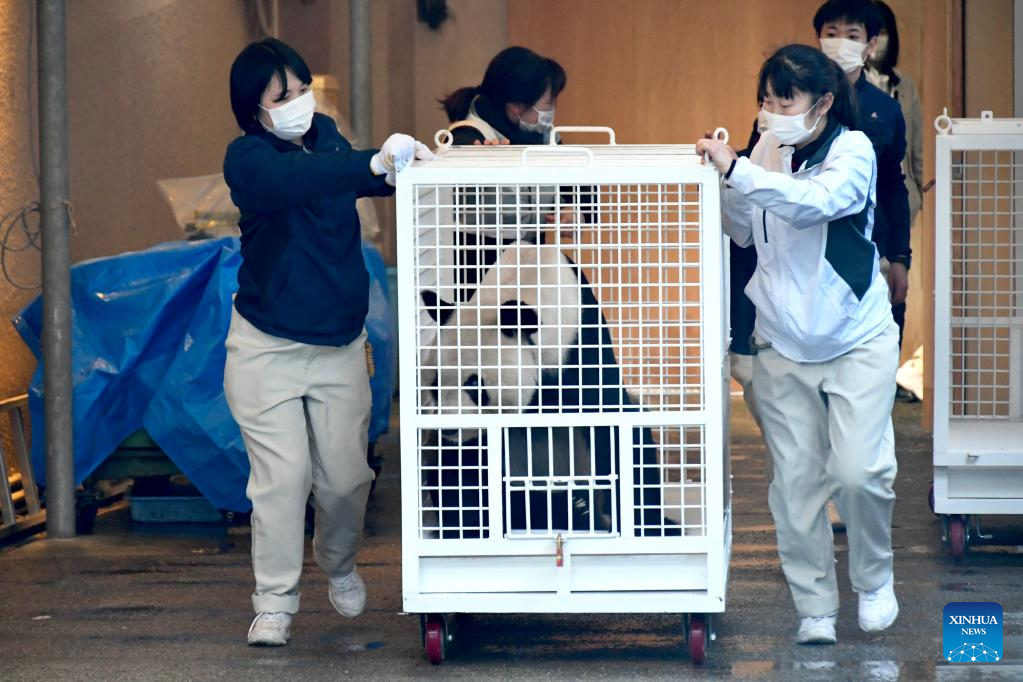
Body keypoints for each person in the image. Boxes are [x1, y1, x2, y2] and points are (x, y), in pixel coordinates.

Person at [222, 38, 431, 647]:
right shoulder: (248, 159)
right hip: (266, 349)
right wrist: (371, 162)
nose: (297, 102)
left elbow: (363, 179)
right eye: (281, 96)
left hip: (339, 346)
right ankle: (274, 602)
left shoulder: (329, 139)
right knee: (281, 480)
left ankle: (338, 562)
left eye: (301, 89)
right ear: (253, 110)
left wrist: (406, 165)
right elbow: (301, 180)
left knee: (345, 481)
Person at [698, 44, 900, 645]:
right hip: (781, 341)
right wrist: (720, 183)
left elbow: (817, 204)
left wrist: (739, 172)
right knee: (795, 486)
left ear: (824, 103)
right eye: (766, 100)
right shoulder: (765, 149)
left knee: (859, 473)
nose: (771, 112)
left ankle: (874, 578)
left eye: (785, 101)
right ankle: (814, 606)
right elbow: (742, 229)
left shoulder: (854, 150)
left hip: (856, 337)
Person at [438, 46, 573, 301]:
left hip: (530, 261)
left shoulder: (545, 137)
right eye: (548, 103)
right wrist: (483, 163)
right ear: (516, 106)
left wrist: (571, 210)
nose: (551, 110)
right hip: (476, 270)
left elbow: (575, 187)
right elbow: (446, 185)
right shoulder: (468, 136)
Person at [815, 0, 912, 346]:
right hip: (809, 249)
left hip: (872, 248)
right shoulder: (796, 100)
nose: (840, 42)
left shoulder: (886, 109)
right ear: (818, 39)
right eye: (831, 33)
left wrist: (900, 258)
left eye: (852, 35)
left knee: (875, 345)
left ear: (870, 45)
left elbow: (893, 186)